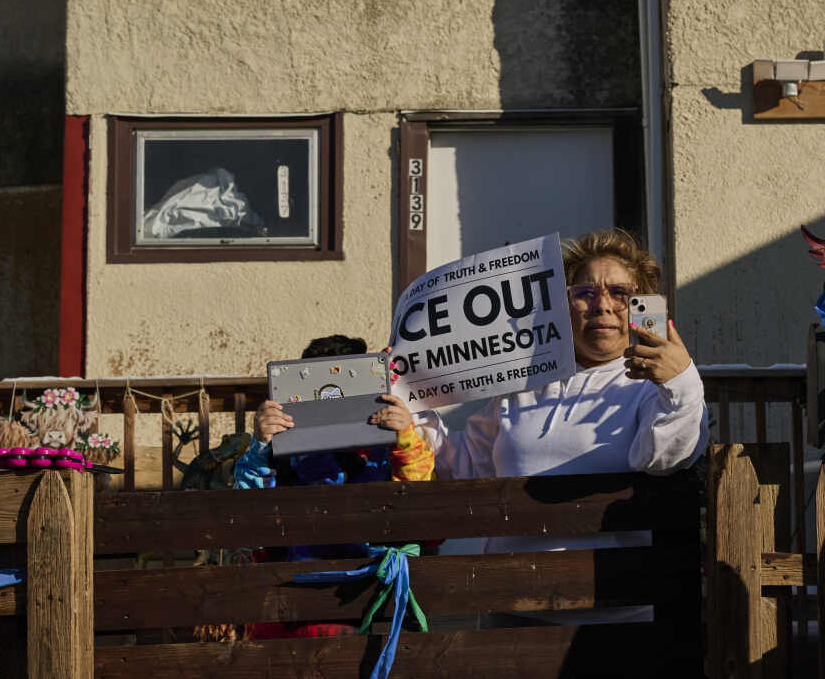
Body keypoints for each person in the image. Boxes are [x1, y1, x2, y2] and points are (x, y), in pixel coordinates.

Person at [376, 229, 708, 622]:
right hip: (514, 611)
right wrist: (410, 410)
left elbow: (667, 458)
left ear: (641, 306)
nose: (602, 305)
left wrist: (682, 382)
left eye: (620, 293)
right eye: (584, 292)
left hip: (619, 618)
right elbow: (466, 464)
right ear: (563, 306)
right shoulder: (527, 384)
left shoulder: (654, 387)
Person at [233, 334, 435, 639]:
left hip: (371, 600)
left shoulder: (386, 449)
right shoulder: (282, 451)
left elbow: (423, 505)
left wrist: (404, 434)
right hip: (294, 602)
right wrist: (261, 444)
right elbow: (246, 511)